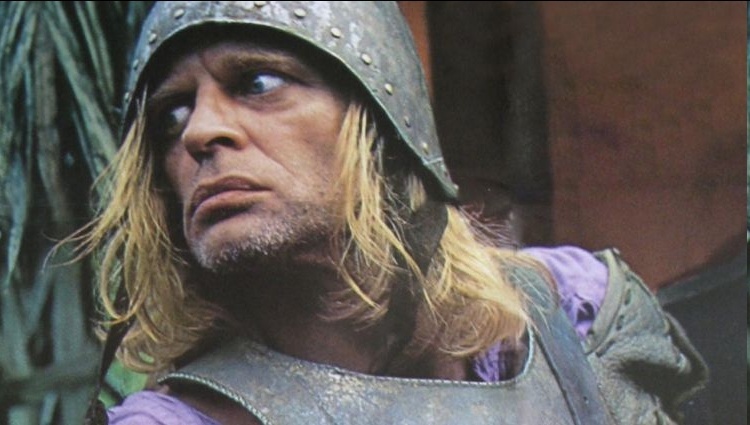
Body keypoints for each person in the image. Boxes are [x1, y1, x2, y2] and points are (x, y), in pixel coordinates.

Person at [75, 2, 706, 424]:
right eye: (172, 114)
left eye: (258, 83)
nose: (199, 132)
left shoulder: (571, 314)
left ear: (382, 124)